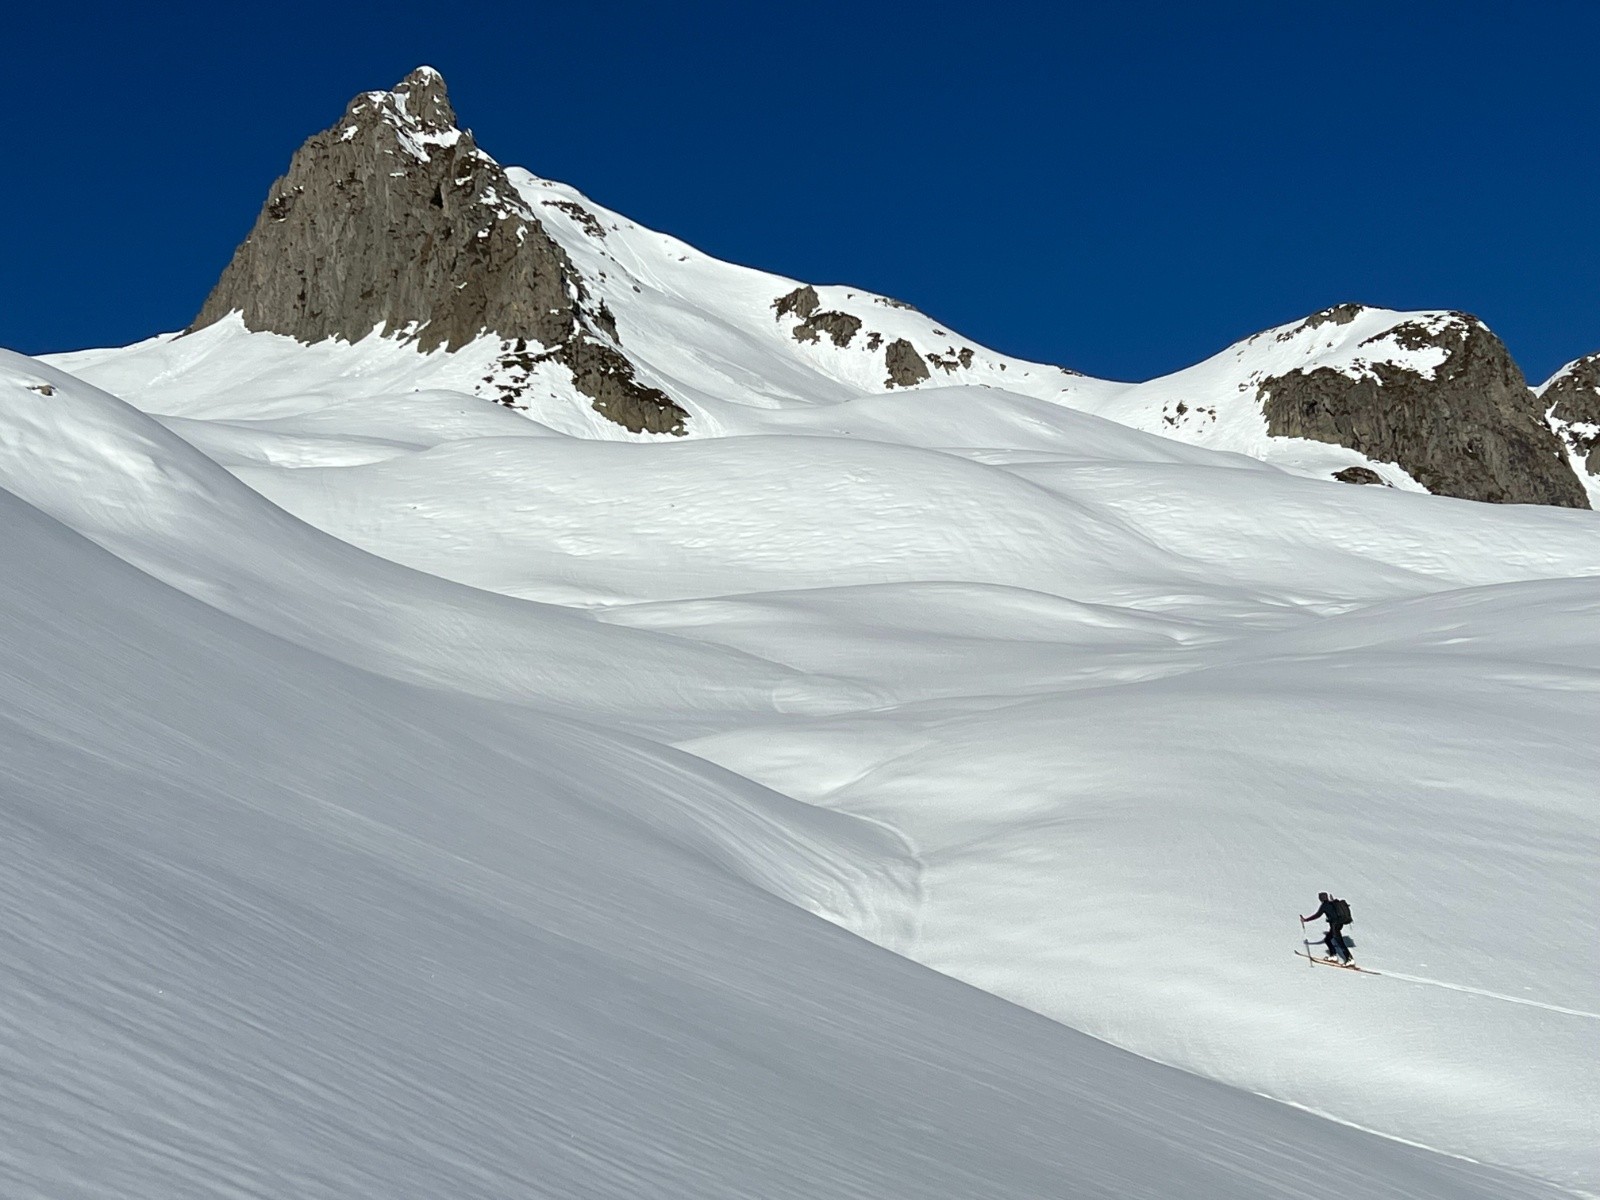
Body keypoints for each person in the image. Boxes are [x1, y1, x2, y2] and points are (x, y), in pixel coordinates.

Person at [1302, 891, 1352, 963]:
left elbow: (1317, 915)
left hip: (1335, 925)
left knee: (1340, 942)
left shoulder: (1324, 906)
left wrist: (1306, 920)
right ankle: (1333, 956)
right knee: (1328, 939)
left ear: (1321, 899)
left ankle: (1349, 959)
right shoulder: (1332, 903)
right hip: (1339, 924)